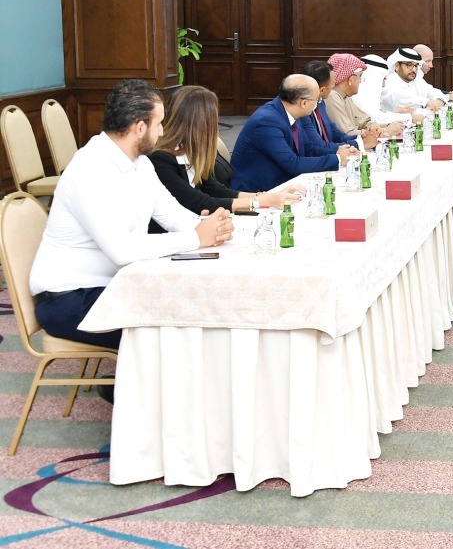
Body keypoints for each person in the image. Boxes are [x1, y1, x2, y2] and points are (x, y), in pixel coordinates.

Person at [28, 79, 234, 353]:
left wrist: (214, 228)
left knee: (193, 307)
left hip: (114, 285)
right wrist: (195, 237)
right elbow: (122, 250)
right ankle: (130, 392)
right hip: (69, 300)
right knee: (176, 329)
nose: (162, 132)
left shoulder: (140, 165)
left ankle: (140, 388)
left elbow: (173, 214)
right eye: (158, 123)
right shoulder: (89, 170)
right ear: (140, 127)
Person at [149, 86, 303, 217]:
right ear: (202, 123)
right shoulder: (161, 160)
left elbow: (215, 189)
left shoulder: (191, 150)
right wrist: (262, 201)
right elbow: (199, 203)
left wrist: (269, 196)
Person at [231, 75, 355, 193]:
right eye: (317, 99)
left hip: (282, 181)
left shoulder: (290, 112)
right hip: (258, 191)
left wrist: (339, 151)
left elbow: (309, 149)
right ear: (303, 103)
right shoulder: (266, 121)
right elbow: (292, 163)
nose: (318, 103)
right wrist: (337, 159)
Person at [300, 60, 379, 151]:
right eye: (332, 84)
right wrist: (360, 144)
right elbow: (318, 146)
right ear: (322, 90)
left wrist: (362, 136)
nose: (334, 87)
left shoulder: (320, 103)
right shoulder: (303, 111)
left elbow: (335, 134)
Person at [325, 53, 406, 139]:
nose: (360, 81)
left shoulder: (346, 97)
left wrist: (388, 126)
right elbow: (348, 133)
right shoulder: (332, 97)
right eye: (360, 77)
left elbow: (364, 123)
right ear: (351, 80)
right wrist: (386, 131)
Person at [380, 46, 440, 118]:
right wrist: (426, 102)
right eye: (409, 65)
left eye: (416, 65)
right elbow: (399, 95)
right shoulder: (389, 81)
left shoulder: (415, 79)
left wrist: (442, 99)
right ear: (397, 66)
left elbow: (431, 91)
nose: (414, 70)